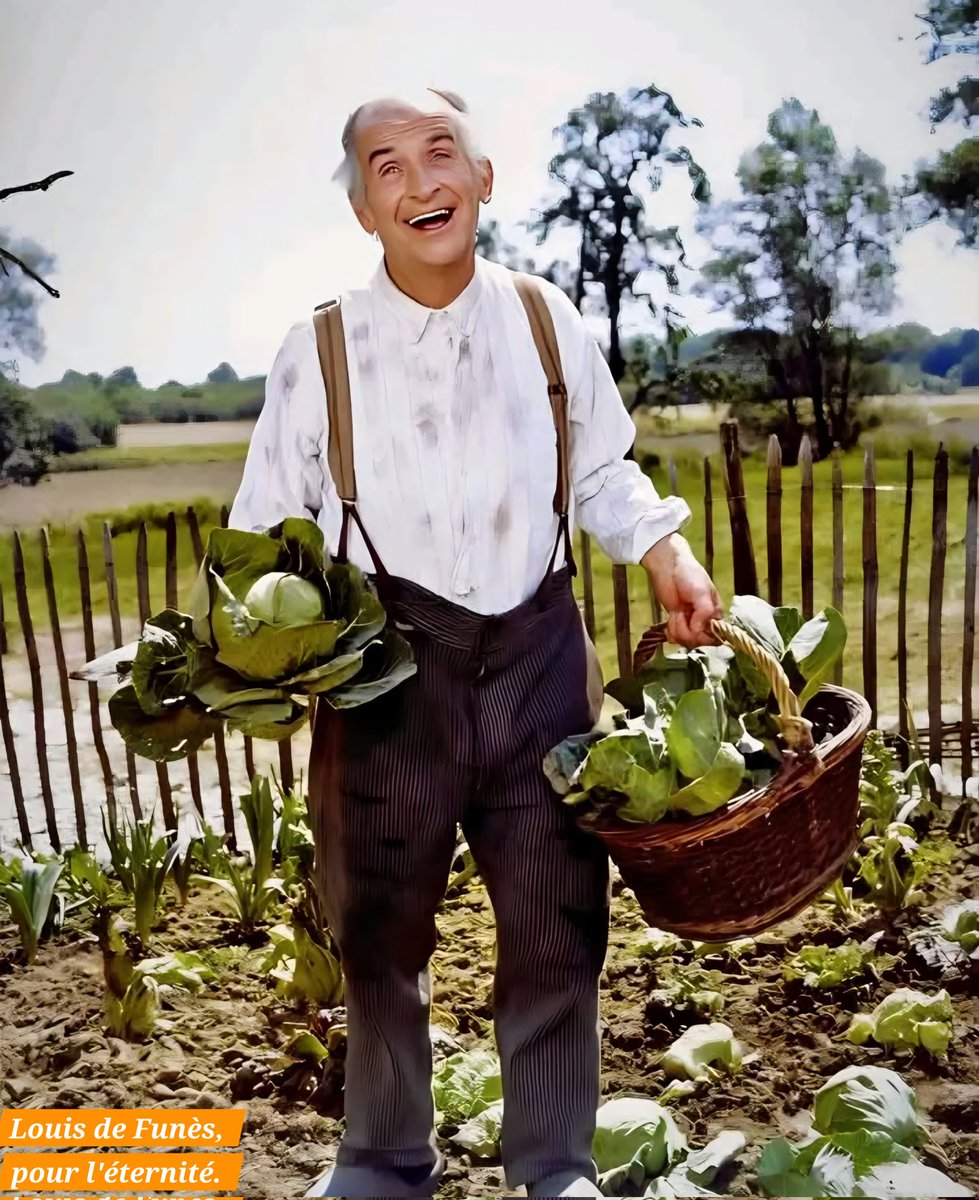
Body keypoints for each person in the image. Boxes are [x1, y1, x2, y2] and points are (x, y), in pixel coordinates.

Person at [229, 86, 722, 1200]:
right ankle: (382, 1157)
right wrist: (252, 647)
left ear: (483, 179)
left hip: (539, 659)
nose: (420, 182)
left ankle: (554, 1163)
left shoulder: (546, 320)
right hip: (386, 681)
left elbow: (601, 471)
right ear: (363, 209)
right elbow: (265, 533)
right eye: (387, 166)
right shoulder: (318, 350)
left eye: (440, 152)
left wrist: (666, 552)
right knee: (376, 925)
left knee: (556, 920)